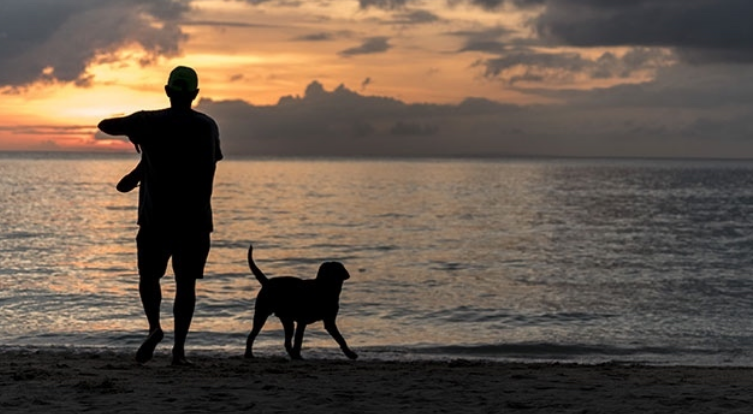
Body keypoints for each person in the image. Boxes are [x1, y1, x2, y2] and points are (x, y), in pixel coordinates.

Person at [98, 66, 223, 365]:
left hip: (157, 220)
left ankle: (155, 328)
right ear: (194, 94)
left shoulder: (148, 121)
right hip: (194, 221)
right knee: (186, 285)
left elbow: (105, 125)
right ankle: (178, 351)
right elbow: (203, 162)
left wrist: (135, 133)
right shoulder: (207, 127)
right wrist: (142, 165)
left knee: (149, 278)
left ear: (168, 91)